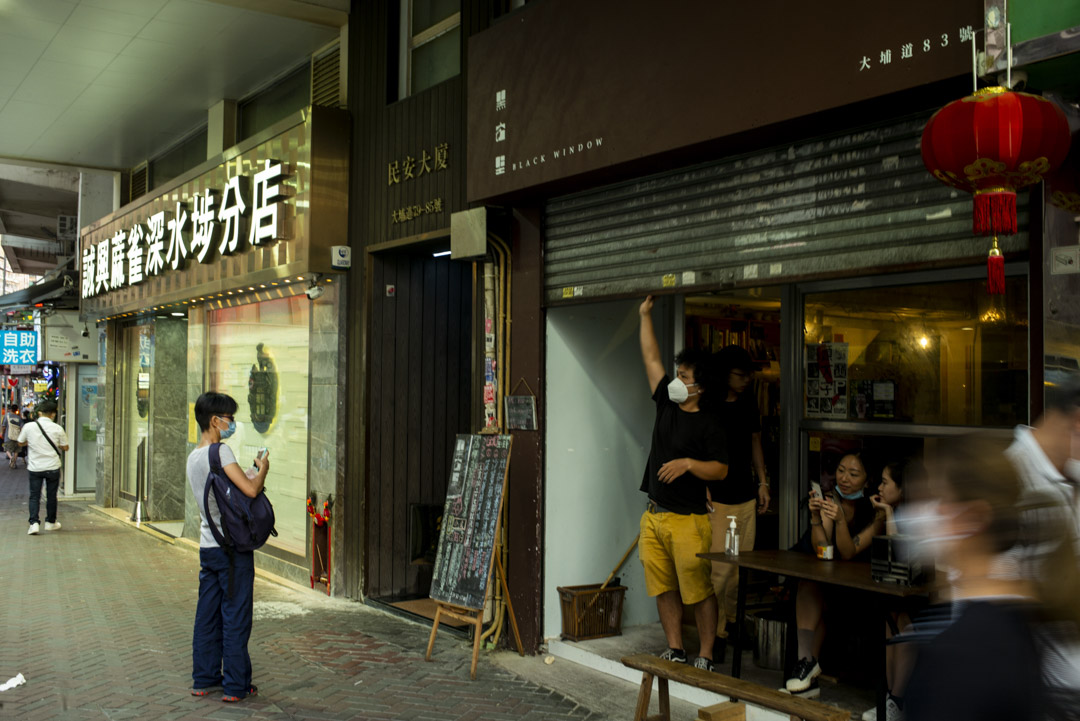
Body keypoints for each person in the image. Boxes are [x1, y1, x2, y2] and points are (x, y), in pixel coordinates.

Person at [904, 435, 1074, 721]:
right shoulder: (1023, 615)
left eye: (938, 498)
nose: (926, 512)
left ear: (974, 517)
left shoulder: (957, 654)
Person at [638, 296, 728, 671]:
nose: (676, 380)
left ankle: (706, 653)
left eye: (685, 377)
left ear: (700, 387)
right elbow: (651, 357)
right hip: (654, 516)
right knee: (663, 587)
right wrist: (644, 316)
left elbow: (721, 470)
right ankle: (675, 647)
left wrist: (689, 464)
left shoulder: (710, 423)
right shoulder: (666, 403)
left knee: (699, 590)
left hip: (689, 520)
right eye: (678, 374)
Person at [188, 392, 268, 702]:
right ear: (214, 420)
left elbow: (218, 495)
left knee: (207, 615)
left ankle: (204, 678)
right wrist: (262, 469)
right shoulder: (220, 452)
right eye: (229, 418)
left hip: (208, 546)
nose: (231, 423)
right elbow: (249, 489)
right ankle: (236, 686)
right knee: (235, 616)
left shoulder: (194, 457)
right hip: (232, 551)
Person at [787, 450, 881, 693]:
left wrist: (840, 521)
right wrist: (816, 517)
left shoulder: (875, 512)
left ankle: (806, 669)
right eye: (841, 470)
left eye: (853, 473)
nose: (844, 478)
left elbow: (848, 552)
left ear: (868, 481)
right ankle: (805, 663)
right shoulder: (830, 500)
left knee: (822, 594)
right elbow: (823, 550)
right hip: (826, 577)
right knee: (809, 584)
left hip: (860, 587)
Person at [706, 345, 769, 652]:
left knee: (739, 564)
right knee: (720, 569)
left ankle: (732, 623)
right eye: (740, 375)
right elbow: (697, 448)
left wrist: (763, 482)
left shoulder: (747, 402)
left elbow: (755, 440)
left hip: (745, 496)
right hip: (718, 499)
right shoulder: (707, 404)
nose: (746, 381)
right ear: (725, 373)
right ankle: (715, 634)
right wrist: (701, 487)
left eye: (748, 375)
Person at [862, 457, 926, 721]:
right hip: (899, 590)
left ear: (903, 488)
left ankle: (897, 700)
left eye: (885, 482)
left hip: (924, 594)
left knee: (904, 622)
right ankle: (892, 698)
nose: (879, 487)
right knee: (891, 620)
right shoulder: (898, 511)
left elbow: (898, 553)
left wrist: (887, 514)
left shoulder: (919, 514)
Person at [19, 400, 68, 535]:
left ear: (39, 413)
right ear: (53, 414)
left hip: (35, 467)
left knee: (34, 496)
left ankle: (34, 523)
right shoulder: (58, 428)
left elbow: (20, 442)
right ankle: (50, 523)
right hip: (52, 466)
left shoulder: (29, 427)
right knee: (51, 496)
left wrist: (33, 442)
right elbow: (66, 447)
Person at [5, 403, 23, 469]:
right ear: (16, 410)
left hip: (8, 436)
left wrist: (2, 433)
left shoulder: (7, 416)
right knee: (16, 450)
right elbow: (22, 428)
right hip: (17, 436)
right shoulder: (19, 418)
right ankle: (13, 464)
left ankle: (10, 457)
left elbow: (3, 426)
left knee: (7, 449)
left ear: (10, 409)